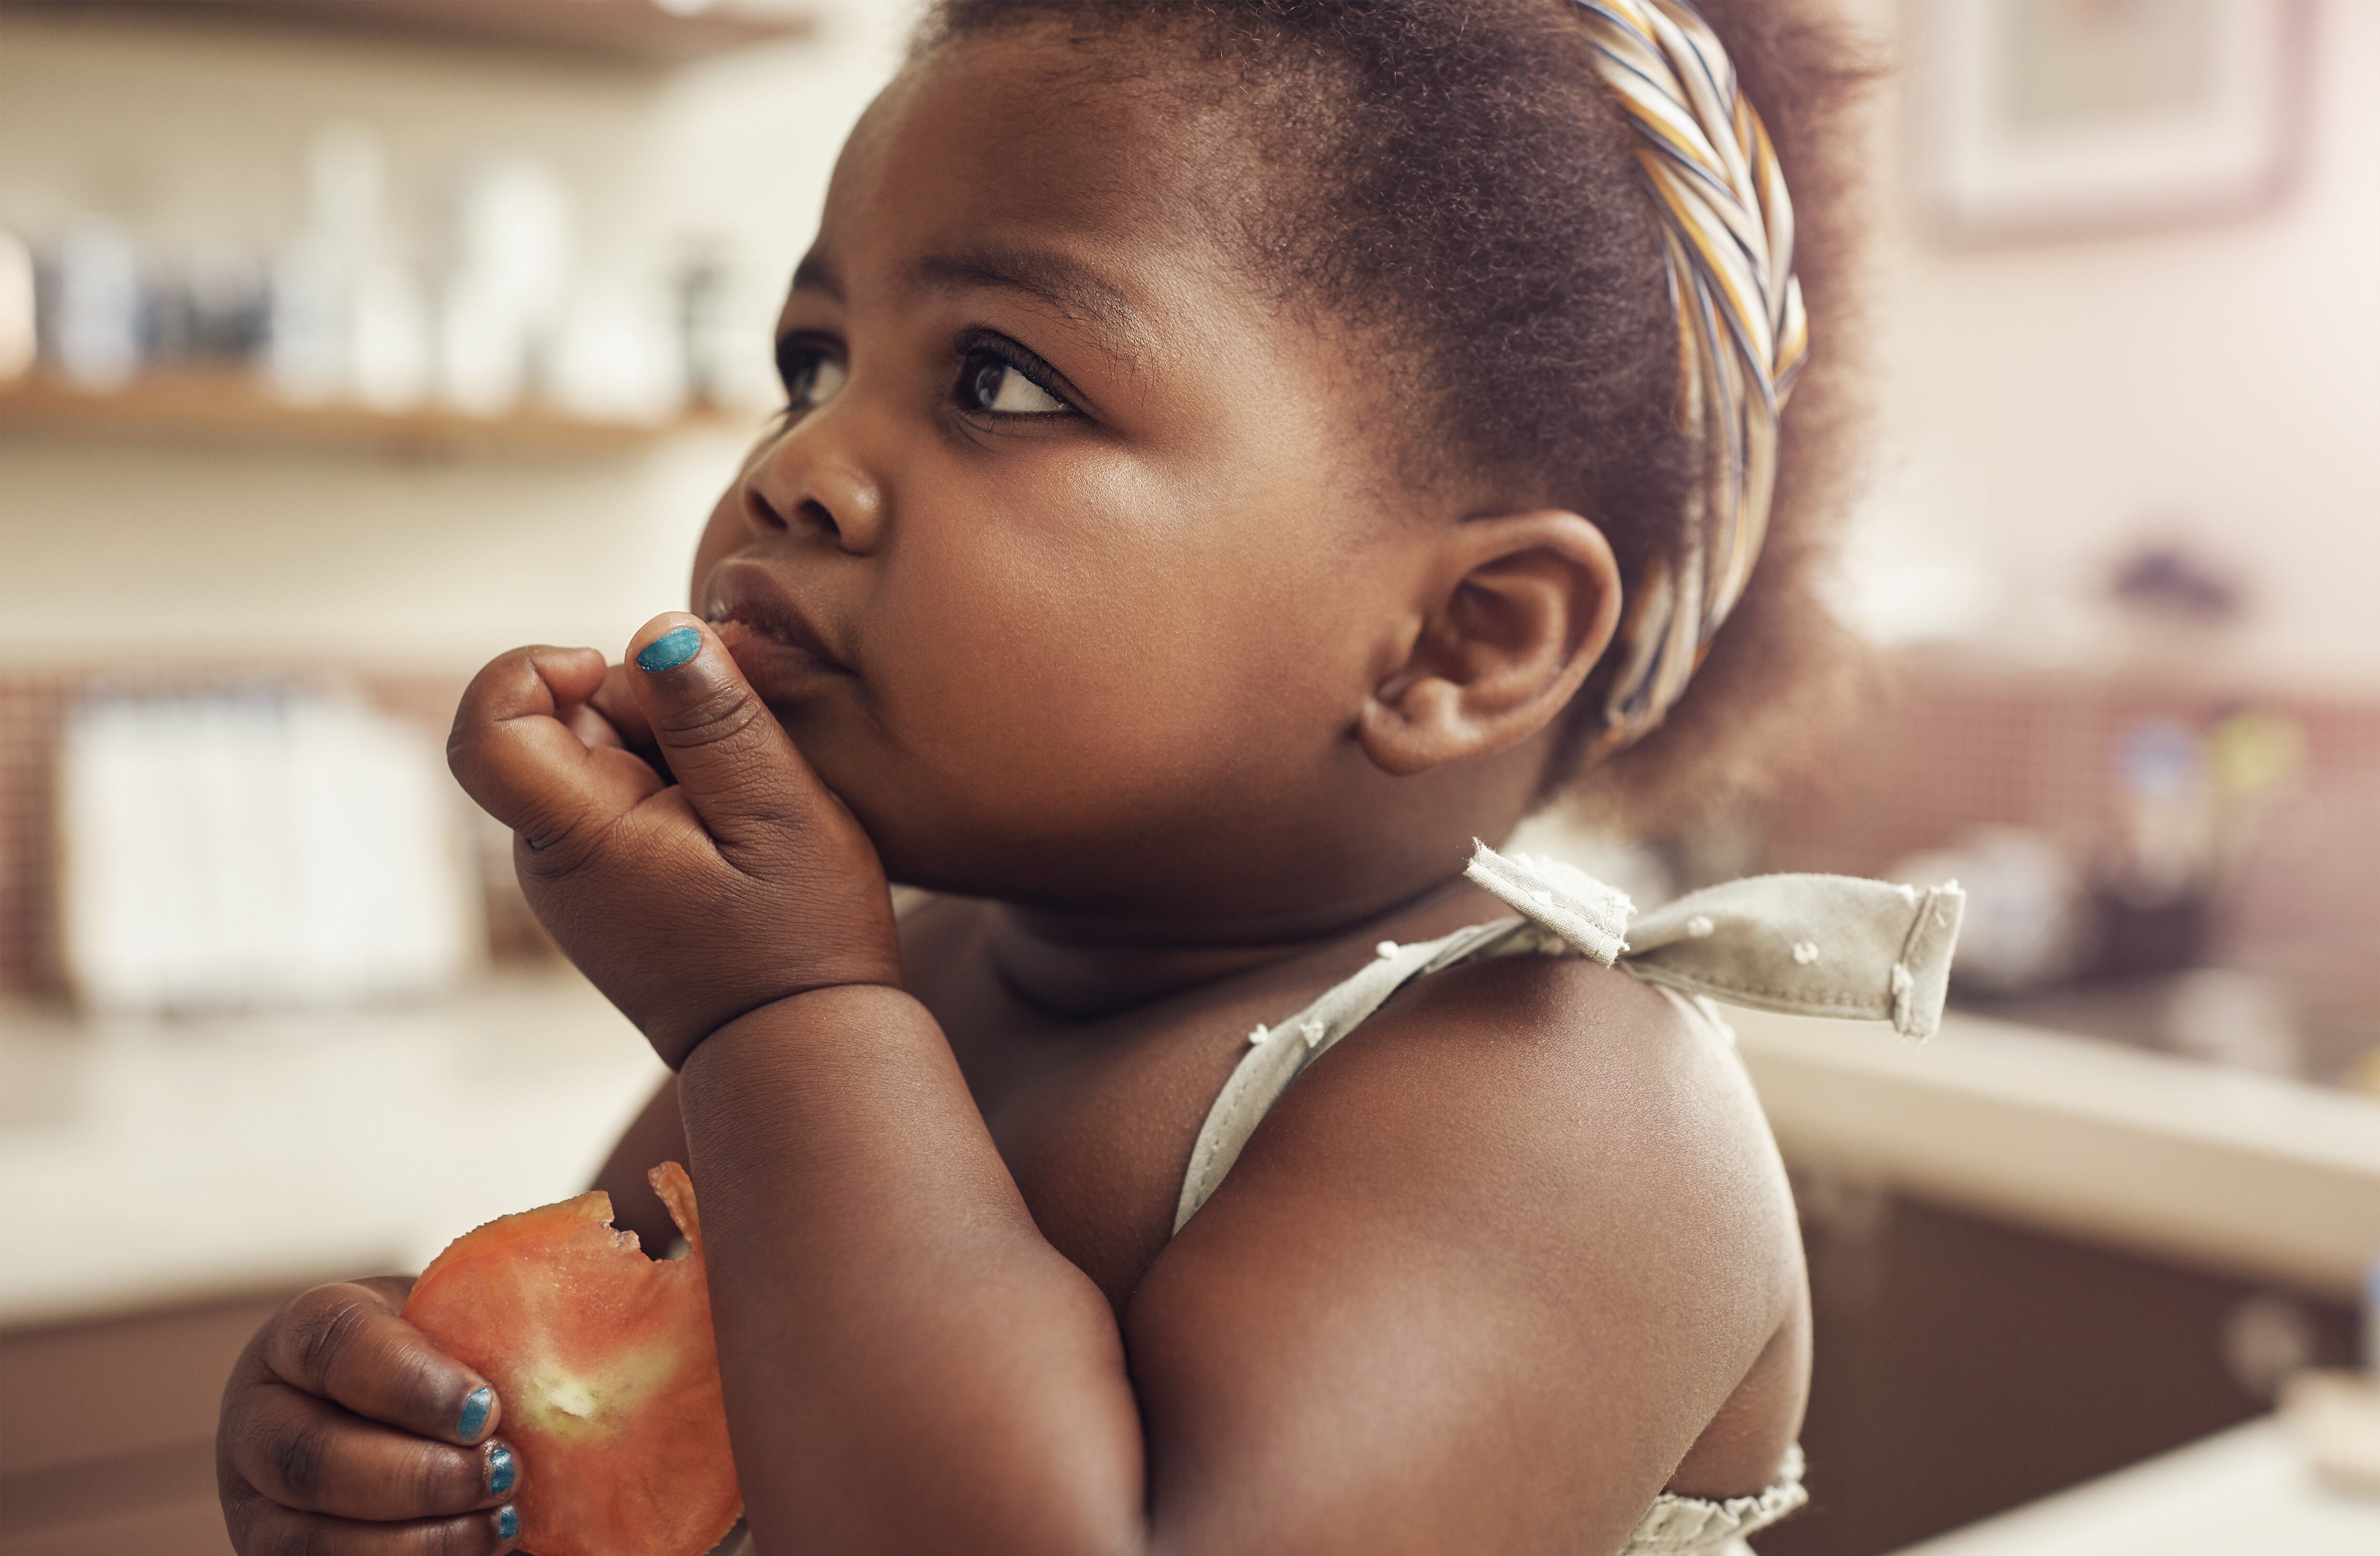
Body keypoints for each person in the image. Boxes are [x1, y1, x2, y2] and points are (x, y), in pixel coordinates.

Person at [215, 3, 1959, 1552]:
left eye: (999, 377)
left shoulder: (1563, 1105)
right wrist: (420, 1459)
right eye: (810, 362)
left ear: (1463, 642)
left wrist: (779, 1017)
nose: (800, 462)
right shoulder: (889, 988)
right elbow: (636, 1441)